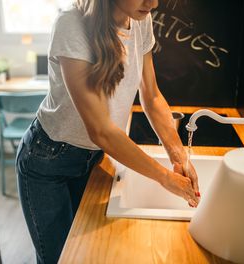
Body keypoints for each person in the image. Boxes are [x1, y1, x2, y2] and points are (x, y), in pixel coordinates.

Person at [15, 0, 200, 263]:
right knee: (60, 259)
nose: (154, 3)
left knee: (89, 253)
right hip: (47, 161)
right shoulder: (71, 24)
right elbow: (100, 130)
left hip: (93, 158)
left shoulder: (139, 18)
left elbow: (152, 95)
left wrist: (178, 156)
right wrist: (164, 178)